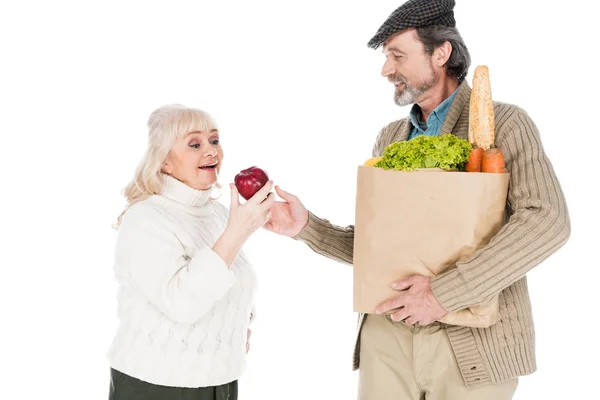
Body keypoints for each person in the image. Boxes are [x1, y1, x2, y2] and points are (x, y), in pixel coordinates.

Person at [264, 0, 571, 399]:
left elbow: (547, 221)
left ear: (441, 54)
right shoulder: (390, 138)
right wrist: (307, 228)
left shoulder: (505, 124)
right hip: (387, 334)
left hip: (472, 343)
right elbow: (383, 248)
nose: (386, 69)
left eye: (397, 55)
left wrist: (443, 294)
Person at [106, 104, 274, 400]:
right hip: (156, 385)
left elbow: (235, 281)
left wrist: (239, 327)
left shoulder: (217, 214)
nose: (211, 151)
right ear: (165, 163)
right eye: (195, 144)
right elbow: (182, 303)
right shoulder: (145, 219)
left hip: (220, 382)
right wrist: (238, 231)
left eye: (214, 140)